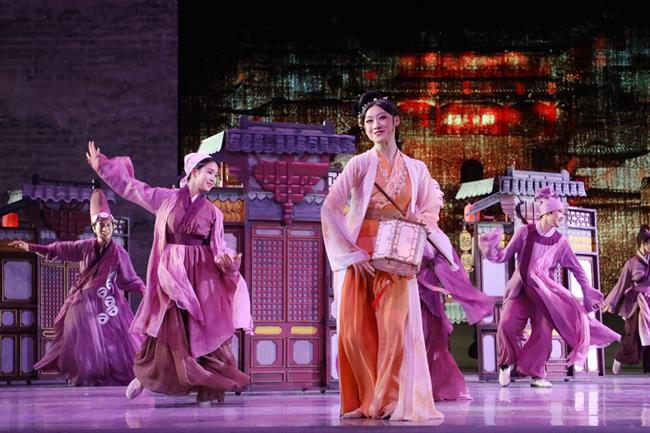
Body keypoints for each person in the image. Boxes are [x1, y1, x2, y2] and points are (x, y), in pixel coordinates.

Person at [86, 141, 252, 405]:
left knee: (200, 330)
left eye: (215, 174)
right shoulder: (167, 199)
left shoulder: (213, 213)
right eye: (209, 172)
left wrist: (228, 264)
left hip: (201, 276)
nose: (213, 178)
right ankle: (145, 375)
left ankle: (207, 386)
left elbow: (218, 248)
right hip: (171, 272)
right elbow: (133, 188)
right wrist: (103, 169)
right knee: (167, 324)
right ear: (193, 172)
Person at [321, 91, 445, 421]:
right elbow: (330, 206)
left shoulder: (416, 168)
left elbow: (431, 203)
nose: (376, 125)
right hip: (361, 255)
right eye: (369, 121)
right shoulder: (359, 164)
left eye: (382, 118)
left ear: (396, 121)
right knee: (355, 332)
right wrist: (350, 253)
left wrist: (421, 220)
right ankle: (365, 399)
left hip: (397, 254)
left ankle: (387, 400)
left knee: (395, 330)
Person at [478, 186, 619, 388]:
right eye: (559, 211)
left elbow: (577, 269)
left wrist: (587, 290)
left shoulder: (561, 242)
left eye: (562, 211)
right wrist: (490, 249)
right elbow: (503, 256)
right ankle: (506, 364)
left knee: (544, 332)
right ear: (547, 212)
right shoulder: (525, 233)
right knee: (506, 324)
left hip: (545, 296)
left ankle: (536, 373)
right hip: (520, 291)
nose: (562, 215)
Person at [11, 188, 145, 386]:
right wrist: (30, 247)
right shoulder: (85, 247)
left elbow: (130, 279)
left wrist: (146, 290)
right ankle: (87, 374)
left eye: (108, 225)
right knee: (82, 336)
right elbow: (57, 249)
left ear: (113, 227)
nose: (105, 229)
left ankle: (115, 374)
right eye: (101, 226)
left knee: (116, 340)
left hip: (109, 301)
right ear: (94, 228)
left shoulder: (119, 253)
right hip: (84, 300)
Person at [417, 178, 495, 400]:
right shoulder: (420, 223)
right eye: (436, 191)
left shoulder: (430, 226)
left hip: (428, 294)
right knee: (422, 338)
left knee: (434, 340)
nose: (441, 196)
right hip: (416, 293)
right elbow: (436, 256)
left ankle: (429, 387)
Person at [604, 225, 650, 374]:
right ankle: (619, 357)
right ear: (643, 243)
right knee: (633, 336)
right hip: (636, 303)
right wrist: (609, 303)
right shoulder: (631, 263)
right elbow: (621, 284)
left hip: (649, 301)